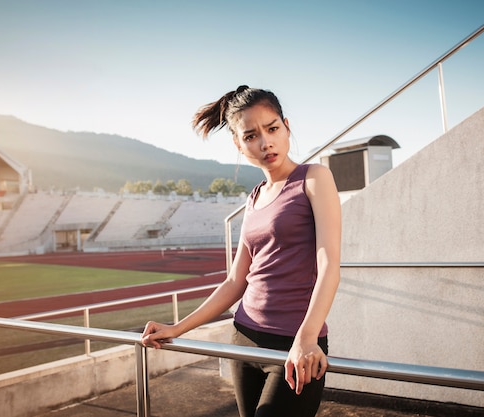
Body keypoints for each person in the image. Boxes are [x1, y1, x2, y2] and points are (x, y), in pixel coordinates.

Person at [141, 85, 341, 417]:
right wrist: (177, 328)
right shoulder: (254, 197)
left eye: (273, 128)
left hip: (294, 344)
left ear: (287, 126)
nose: (266, 143)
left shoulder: (314, 178)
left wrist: (306, 339)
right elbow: (235, 281)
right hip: (243, 338)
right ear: (238, 143)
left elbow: (330, 264)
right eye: (251, 136)